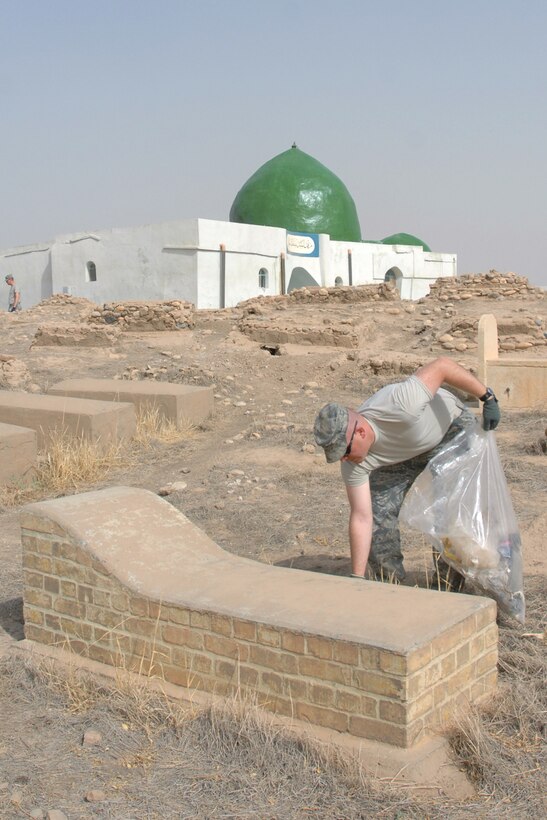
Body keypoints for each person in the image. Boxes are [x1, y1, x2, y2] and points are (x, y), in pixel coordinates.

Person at [313, 357, 501, 587]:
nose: (344, 458)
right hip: (404, 454)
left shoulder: (401, 404)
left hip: (448, 432)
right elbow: (362, 517)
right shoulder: (353, 461)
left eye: (344, 451)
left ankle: (449, 587)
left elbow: (442, 366)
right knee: (377, 513)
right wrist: (356, 579)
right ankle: (391, 585)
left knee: (451, 511)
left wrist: (487, 397)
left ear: (360, 432)